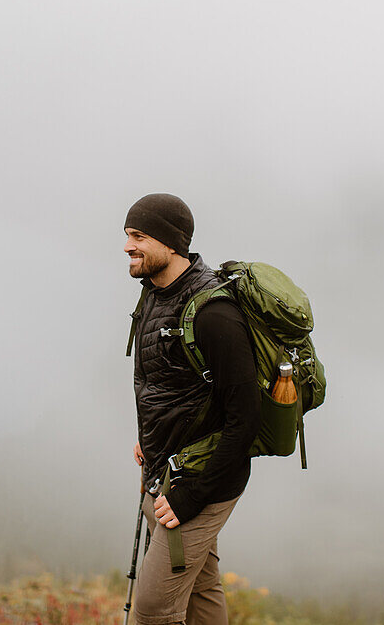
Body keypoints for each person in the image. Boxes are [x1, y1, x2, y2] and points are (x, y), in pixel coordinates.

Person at [123, 193, 261, 625]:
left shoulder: (214, 314)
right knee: (202, 591)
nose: (127, 246)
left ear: (171, 242)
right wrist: (150, 438)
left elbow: (245, 421)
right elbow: (165, 384)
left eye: (139, 236)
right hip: (165, 469)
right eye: (127, 235)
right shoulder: (153, 297)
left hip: (199, 483)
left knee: (152, 612)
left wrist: (189, 498)